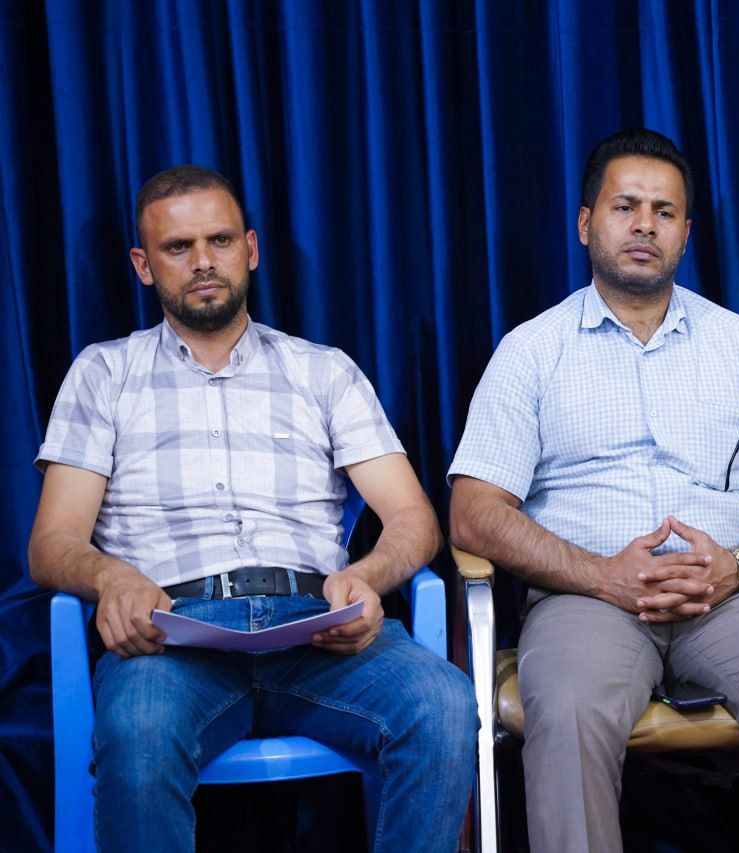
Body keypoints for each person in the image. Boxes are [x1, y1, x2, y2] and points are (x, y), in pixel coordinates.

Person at [448, 129, 739, 853]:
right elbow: (472, 513)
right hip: (586, 600)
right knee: (569, 709)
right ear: (587, 223)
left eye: (664, 211)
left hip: (733, 597)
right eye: (625, 206)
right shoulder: (531, 351)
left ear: (686, 232)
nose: (645, 225)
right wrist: (602, 575)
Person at [27, 165, 476, 853]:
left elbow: (414, 518)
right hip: (172, 638)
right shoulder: (103, 373)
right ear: (144, 266)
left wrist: (368, 577)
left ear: (251, 249)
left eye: (220, 240)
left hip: (318, 632)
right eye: (178, 247)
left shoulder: (323, 370)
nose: (204, 261)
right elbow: (52, 541)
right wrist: (111, 578)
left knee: (443, 704)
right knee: (137, 734)